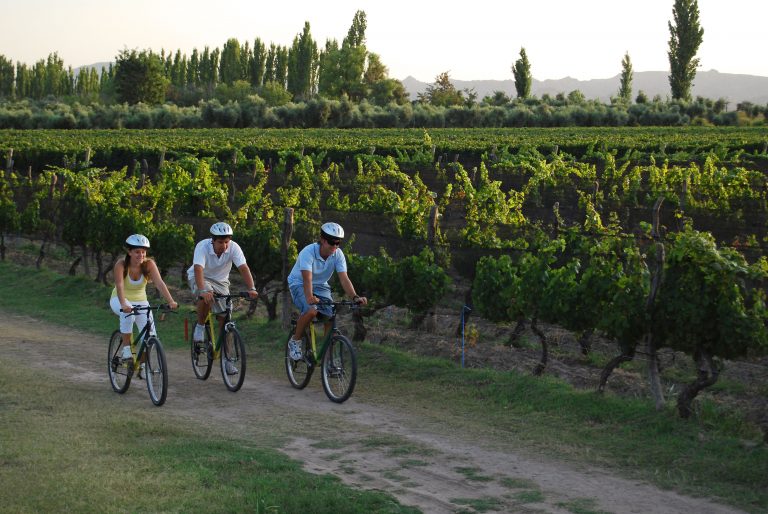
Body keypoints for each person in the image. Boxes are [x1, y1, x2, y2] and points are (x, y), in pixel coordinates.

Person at [287, 222, 367, 360]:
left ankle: (328, 359)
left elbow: (344, 278)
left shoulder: (338, 254)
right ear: (323, 240)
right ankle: (295, 340)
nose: (335, 246)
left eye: (339, 243)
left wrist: (355, 297)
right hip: (299, 283)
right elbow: (307, 279)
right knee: (311, 310)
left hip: (321, 286)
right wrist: (310, 297)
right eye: (332, 242)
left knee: (330, 317)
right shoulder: (308, 252)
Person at [188, 222, 258, 374]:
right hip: (200, 277)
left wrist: (251, 288)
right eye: (220, 242)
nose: (224, 246)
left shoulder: (234, 247)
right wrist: (202, 290)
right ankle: (200, 327)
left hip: (221, 281)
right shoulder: (202, 246)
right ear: (212, 240)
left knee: (225, 320)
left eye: (226, 242)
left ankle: (227, 360)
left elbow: (243, 268)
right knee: (207, 295)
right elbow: (198, 268)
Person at [110, 234, 178, 375]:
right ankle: (127, 350)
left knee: (151, 338)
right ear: (129, 252)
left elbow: (159, 283)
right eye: (137, 251)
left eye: (143, 251)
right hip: (119, 298)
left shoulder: (149, 264)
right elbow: (120, 286)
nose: (141, 255)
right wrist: (123, 303)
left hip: (141, 301)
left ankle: (140, 364)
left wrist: (170, 301)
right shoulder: (121, 265)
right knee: (128, 314)